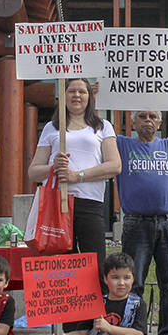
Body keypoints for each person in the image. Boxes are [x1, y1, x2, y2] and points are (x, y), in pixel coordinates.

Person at [28, 78, 122, 286]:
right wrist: (54, 169)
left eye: (82, 91)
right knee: (62, 267)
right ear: (63, 96)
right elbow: (33, 172)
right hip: (57, 205)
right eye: (72, 91)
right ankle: (68, 319)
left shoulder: (102, 127)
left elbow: (115, 165)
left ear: (90, 96)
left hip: (90, 204)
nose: (77, 96)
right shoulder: (52, 129)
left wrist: (77, 175)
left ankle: (94, 317)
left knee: (94, 264)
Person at [115, 109, 168, 335]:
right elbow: (96, 131)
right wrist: (95, 99)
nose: (148, 120)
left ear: (159, 122)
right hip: (136, 223)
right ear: (133, 121)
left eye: (153, 117)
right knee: (133, 282)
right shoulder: (121, 145)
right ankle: (134, 334)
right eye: (142, 116)